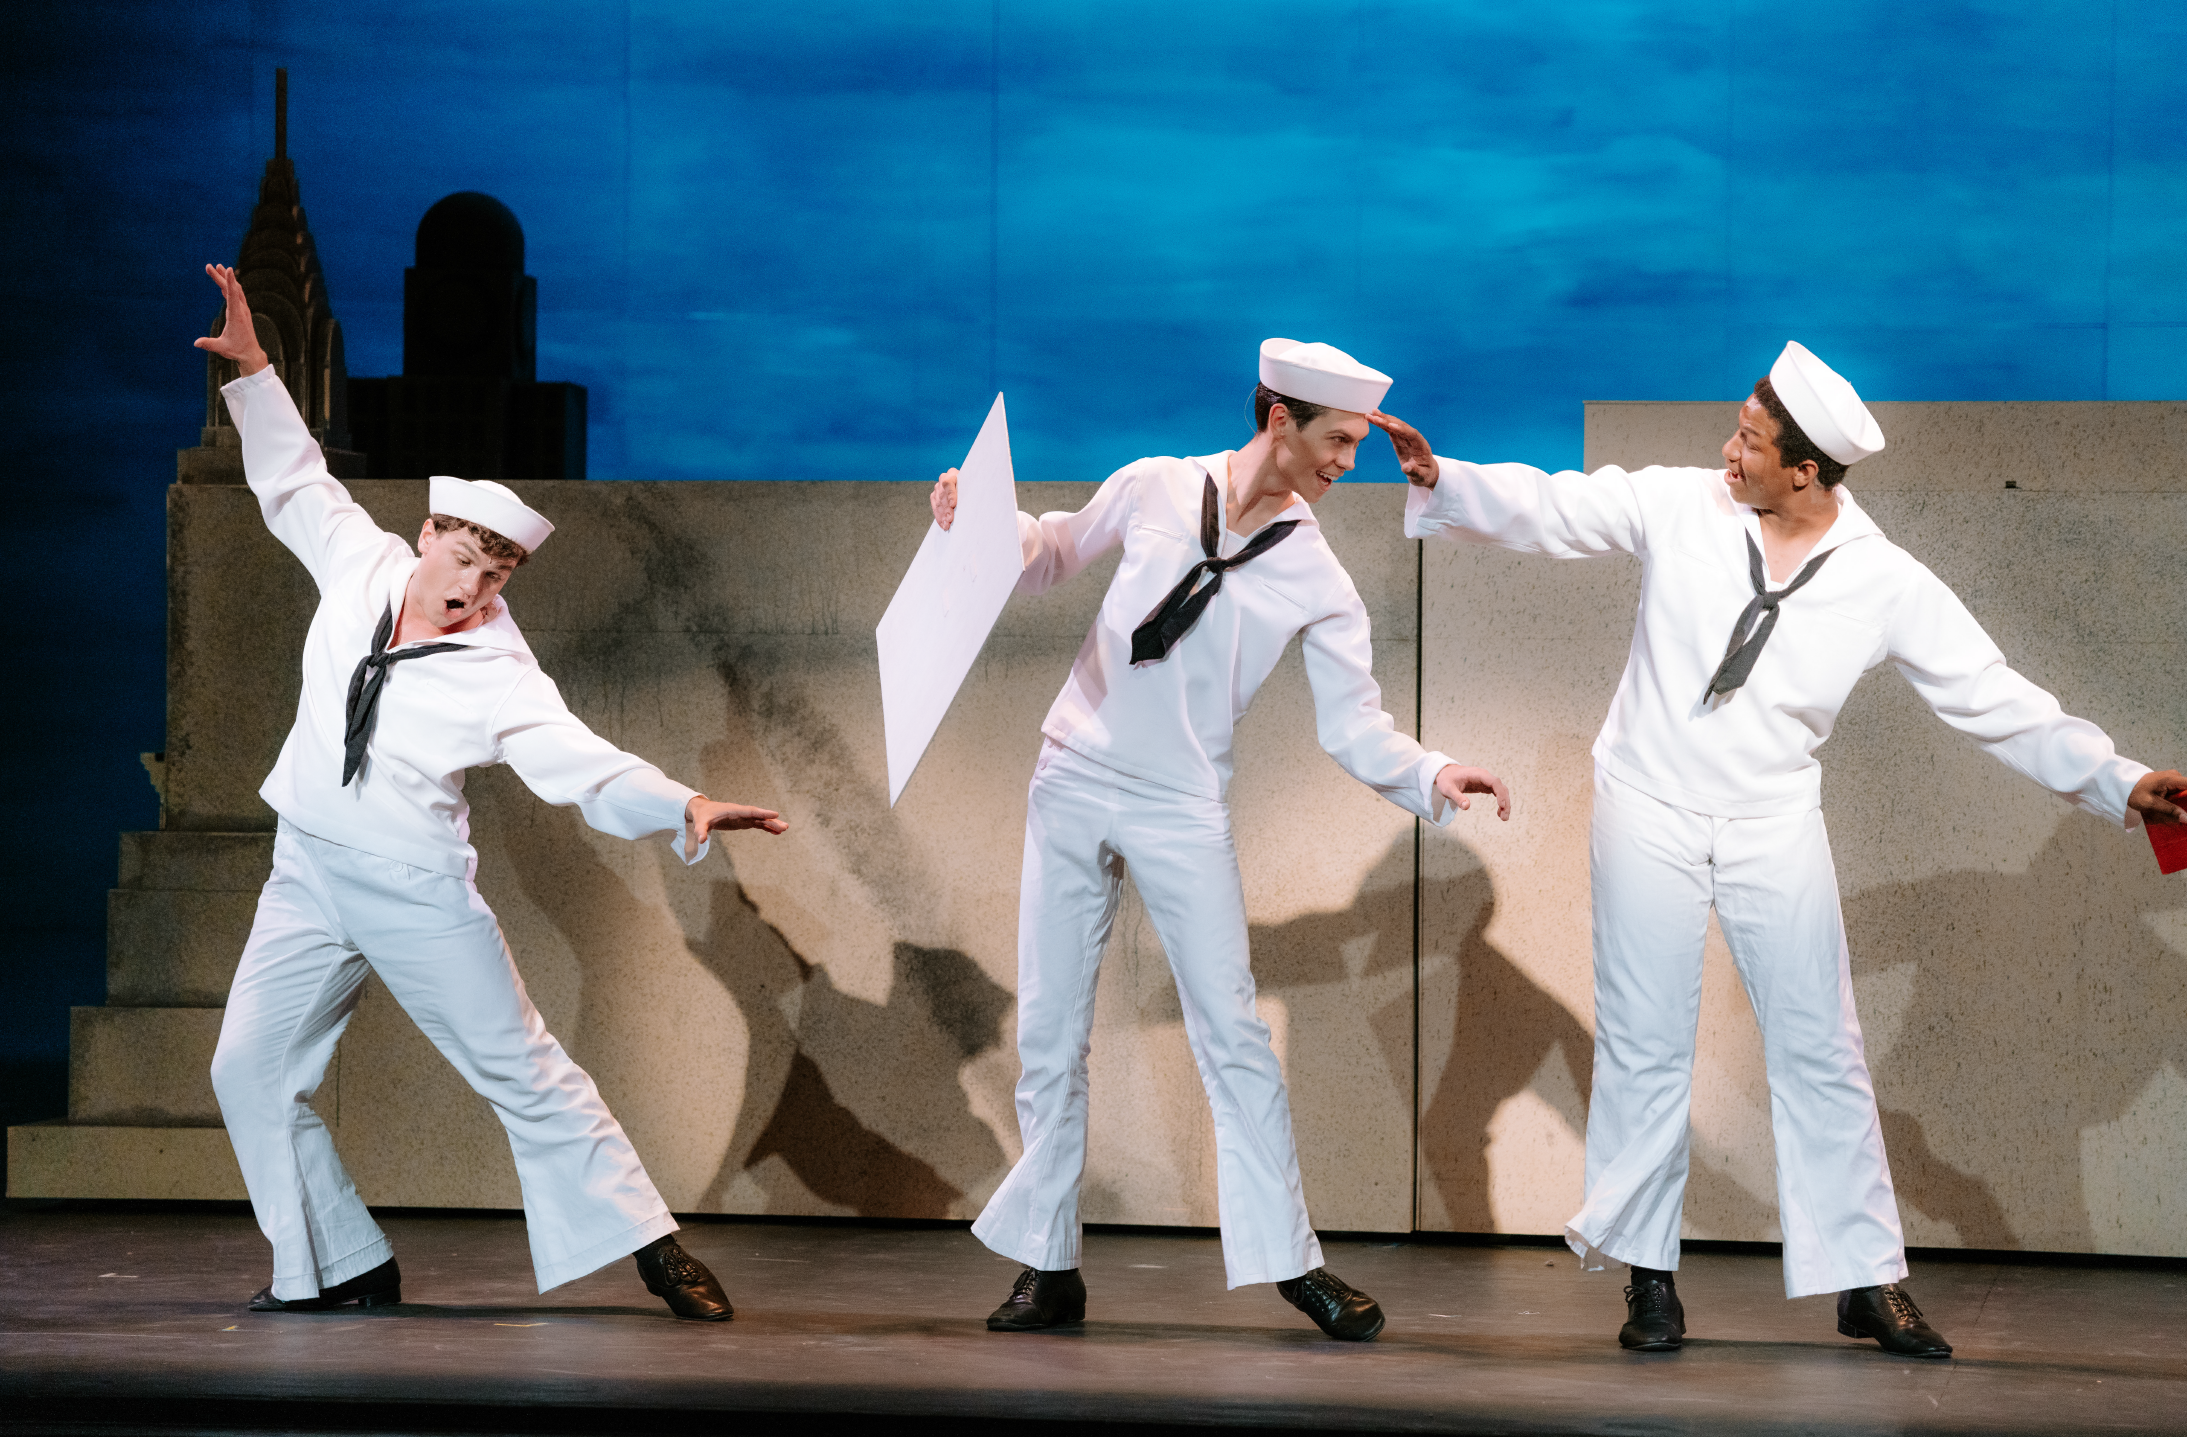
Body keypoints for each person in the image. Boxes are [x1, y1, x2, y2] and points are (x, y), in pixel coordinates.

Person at [1377, 341, 2187, 1357]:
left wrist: (2120, 780)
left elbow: (1994, 697)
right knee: (1645, 1038)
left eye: (1751, 442)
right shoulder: (1685, 505)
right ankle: (1649, 1273)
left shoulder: (1882, 579)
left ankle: (1862, 1279)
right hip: (1648, 803)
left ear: (1806, 469)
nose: (1729, 450)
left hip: (1771, 819)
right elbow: (1563, 506)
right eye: (1737, 430)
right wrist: (1443, 478)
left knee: (1821, 1044)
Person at [194, 263, 789, 1320]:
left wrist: (681, 802)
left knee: (522, 1068)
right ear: (428, 536)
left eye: (497, 574)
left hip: (415, 890)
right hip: (307, 869)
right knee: (246, 1068)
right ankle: (341, 1263)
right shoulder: (358, 566)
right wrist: (253, 373)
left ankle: (651, 1244)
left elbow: (579, 761)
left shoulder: (498, 672)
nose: (471, 587)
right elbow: (294, 481)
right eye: (463, 556)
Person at [929, 339, 1512, 1341]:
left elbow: (1353, 724)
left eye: (1355, 446)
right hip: (1072, 772)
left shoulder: (1318, 576)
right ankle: (1048, 1264)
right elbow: (1056, 549)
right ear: (1276, 418)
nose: (1346, 463)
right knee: (1052, 1032)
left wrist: (1428, 772)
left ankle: (1293, 1261)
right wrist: (980, 528)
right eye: (1336, 440)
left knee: (1233, 1033)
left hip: (1181, 804)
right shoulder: (1157, 484)